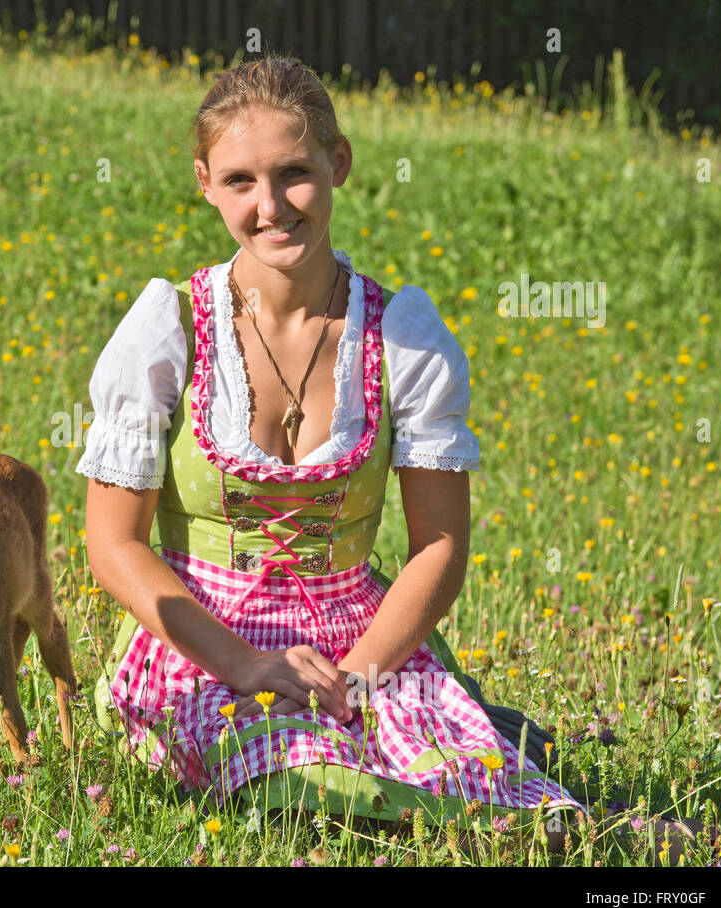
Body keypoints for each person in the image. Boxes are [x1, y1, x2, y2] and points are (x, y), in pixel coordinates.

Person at [75, 55, 588, 847]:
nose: (271, 205)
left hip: (358, 634)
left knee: (458, 760)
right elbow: (112, 545)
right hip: (201, 642)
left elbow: (440, 547)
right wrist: (244, 665)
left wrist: (360, 673)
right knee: (293, 780)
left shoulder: (401, 337)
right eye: (241, 180)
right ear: (205, 182)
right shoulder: (167, 329)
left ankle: (578, 827)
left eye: (295, 173)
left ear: (339, 163)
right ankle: (508, 834)